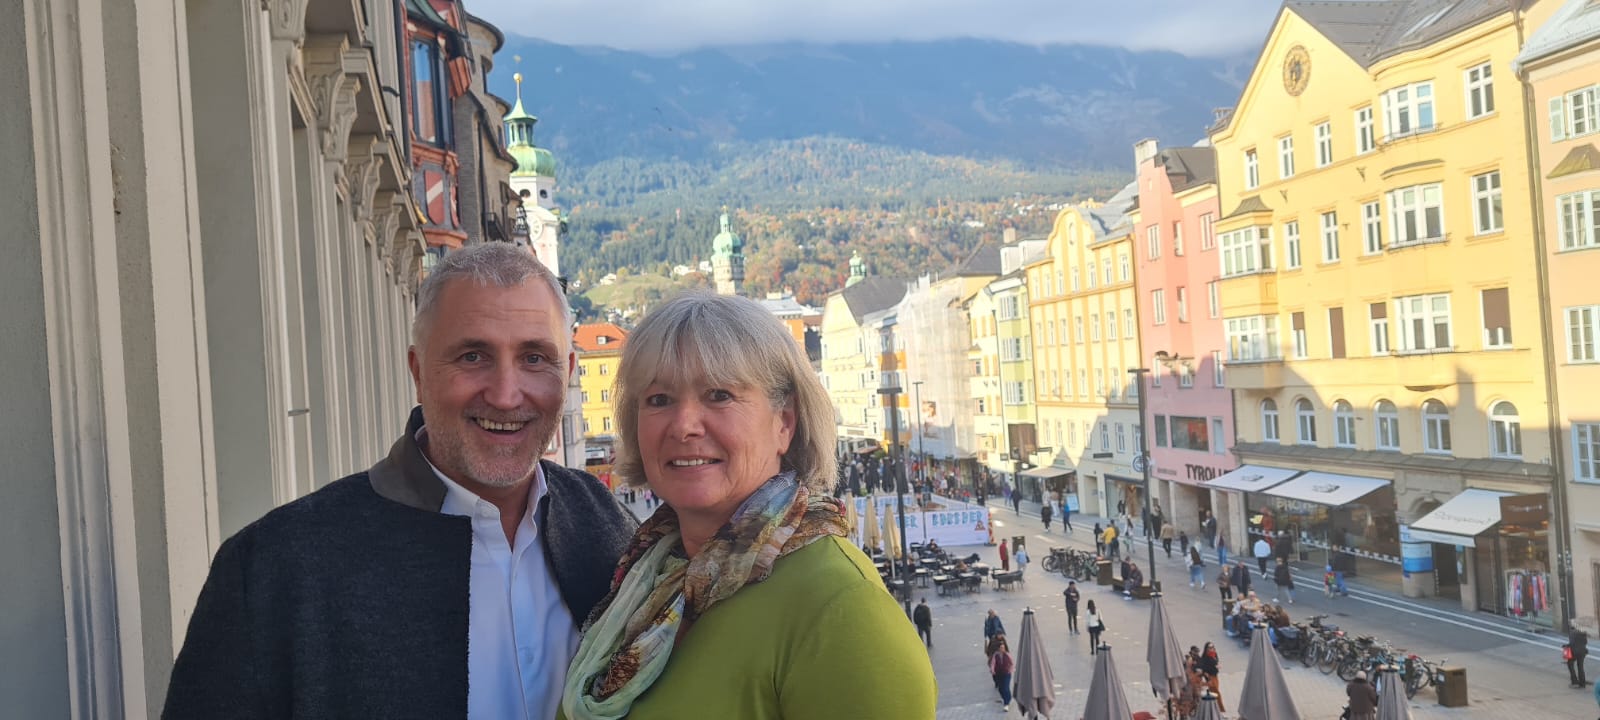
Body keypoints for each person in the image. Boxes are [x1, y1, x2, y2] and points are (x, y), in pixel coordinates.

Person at [162, 244, 638, 718]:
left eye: (534, 358)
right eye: (473, 356)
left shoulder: (607, 528)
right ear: (418, 372)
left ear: (567, 373)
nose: (506, 395)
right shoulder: (274, 569)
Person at [559, 292, 935, 719]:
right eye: (659, 399)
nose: (684, 426)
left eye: (719, 395)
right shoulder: (646, 575)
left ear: (784, 423)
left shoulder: (842, 609)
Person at [989, 636, 1015, 711]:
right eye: (1001, 648)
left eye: (1003, 647)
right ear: (998, 648)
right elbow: (993, 663)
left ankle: (1006, 703)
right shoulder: (996, 655)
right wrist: (992, 670)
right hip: (998, 674)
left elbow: (1012, 663)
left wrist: (1011, 670)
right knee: (1001, 688)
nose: (1003, 649)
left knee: (1006, 687)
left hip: (1006, 673)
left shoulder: (1007, 654)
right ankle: (1006, 698)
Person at [1199, 642, 1225, 712]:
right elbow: (1203, 669)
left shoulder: (1214, 654)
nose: (1212, 649)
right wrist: (1208, 679)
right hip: (1210, 677)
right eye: (1210, 647)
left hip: (1215, 676)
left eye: (1213, 647)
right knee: (1216, 693)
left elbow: (1217, 662)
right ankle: (1220, 709)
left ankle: (1217, 709)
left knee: (1215, 692)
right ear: (1206, 649)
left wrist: (1217, 666)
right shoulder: (1205, 658)